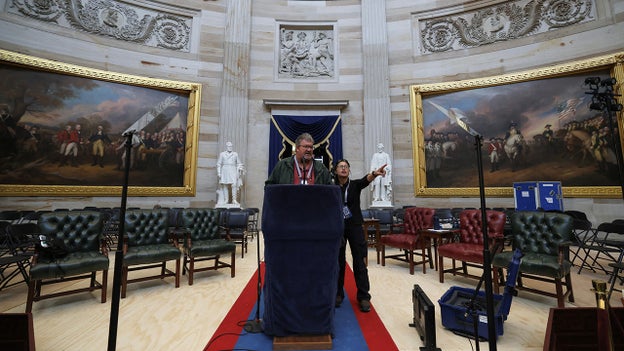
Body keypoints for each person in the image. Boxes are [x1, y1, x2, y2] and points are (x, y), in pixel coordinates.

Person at [334, 158, 387, 313]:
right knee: (338, 261)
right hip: (338, 227)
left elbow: (366, 180)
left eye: (346, 167)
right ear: (336, 170)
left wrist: (375, 174)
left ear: (349, 170)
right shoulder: (332, 187)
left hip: (355, 226)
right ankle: (338, 293)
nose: (343, 169)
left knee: (359, 261)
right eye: (340, 166)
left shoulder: (355, 185)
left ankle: (364, 296)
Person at [265, 132, 331, 185]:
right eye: (305, 146)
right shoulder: (283, 165)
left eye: (311, 147)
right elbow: (269, 187)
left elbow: (330, 190)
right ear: (297, 148)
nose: (309, 150)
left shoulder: (321, 168)